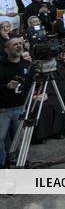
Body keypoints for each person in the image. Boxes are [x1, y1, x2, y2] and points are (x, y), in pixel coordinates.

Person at [0, 37, 31, 166]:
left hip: (21, 107)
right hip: (3, 109)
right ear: (6, 50)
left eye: (20, 43)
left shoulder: (27, 64)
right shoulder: (1, 65)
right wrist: (6, 87)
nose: (19, 46)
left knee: (21, 137)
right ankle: (2, 164)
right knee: (0, 138)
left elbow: (31, 83)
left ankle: (20, 161)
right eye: (15, 44)